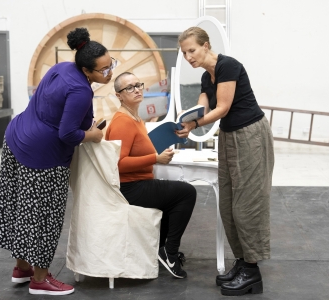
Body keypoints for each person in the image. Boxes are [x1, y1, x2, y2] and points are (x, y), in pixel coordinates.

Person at [0, 27, 116, 296]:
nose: (110, 72)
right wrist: (92, 135)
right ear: (87, 70)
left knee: (21, 207)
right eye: (104, 70)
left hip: (16, 137)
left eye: (111, 64)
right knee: (44, 216)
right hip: (42, 156)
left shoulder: (61, 67)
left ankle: (22, 268)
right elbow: (68, 133)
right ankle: (39, 279)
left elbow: (52, 104)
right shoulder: (82, 91)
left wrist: (82, 123)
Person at [176, 27, 274, 296]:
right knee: (229, 204)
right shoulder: (207, 77)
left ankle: (252, 271)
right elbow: (203, 106)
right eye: (184, 52)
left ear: (206, 45)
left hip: (250, 135)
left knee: (248, 203)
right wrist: (185, 120)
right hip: (230, 137)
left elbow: (223, 108)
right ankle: (243, 262)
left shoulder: (228, 66)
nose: (188, 56)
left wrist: (194, 123)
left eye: (192, 50)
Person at [105, 72, 197, 279]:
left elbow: (137, 150)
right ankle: (168, 252)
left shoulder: (135, 118)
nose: (137, 89)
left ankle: (161, 248)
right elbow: (118, 164)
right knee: (186, 193)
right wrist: (155, 159)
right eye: (129, 87)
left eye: (138, 84)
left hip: (139, 182)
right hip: (130, 187)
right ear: (119, 95)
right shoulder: (123, 122)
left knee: (173, 196)